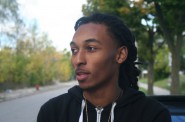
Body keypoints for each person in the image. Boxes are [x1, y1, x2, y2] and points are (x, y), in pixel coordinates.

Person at [37, 13, 171, 122]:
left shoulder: (152, 115)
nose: (78, 60)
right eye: (74, 50)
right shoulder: (52, 112)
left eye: (91, 48)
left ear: (120, 55)